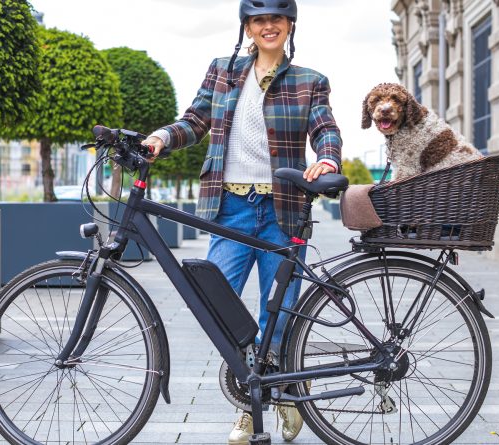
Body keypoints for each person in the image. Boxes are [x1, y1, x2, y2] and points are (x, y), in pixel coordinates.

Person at [143, 1, 342, 443]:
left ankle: (274, 397)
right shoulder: (222, 70)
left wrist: (327, 157)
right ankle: (259, 388)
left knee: (281, 311)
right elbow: (196, 121)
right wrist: (161, 137)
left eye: (275, 19)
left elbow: (325, 128)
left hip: (282, 209)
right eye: (258, 20)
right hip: (229, 207)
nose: (267, 27)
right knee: (221, 308)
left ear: (290, 25)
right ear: (246, 28)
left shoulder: (310, 81)